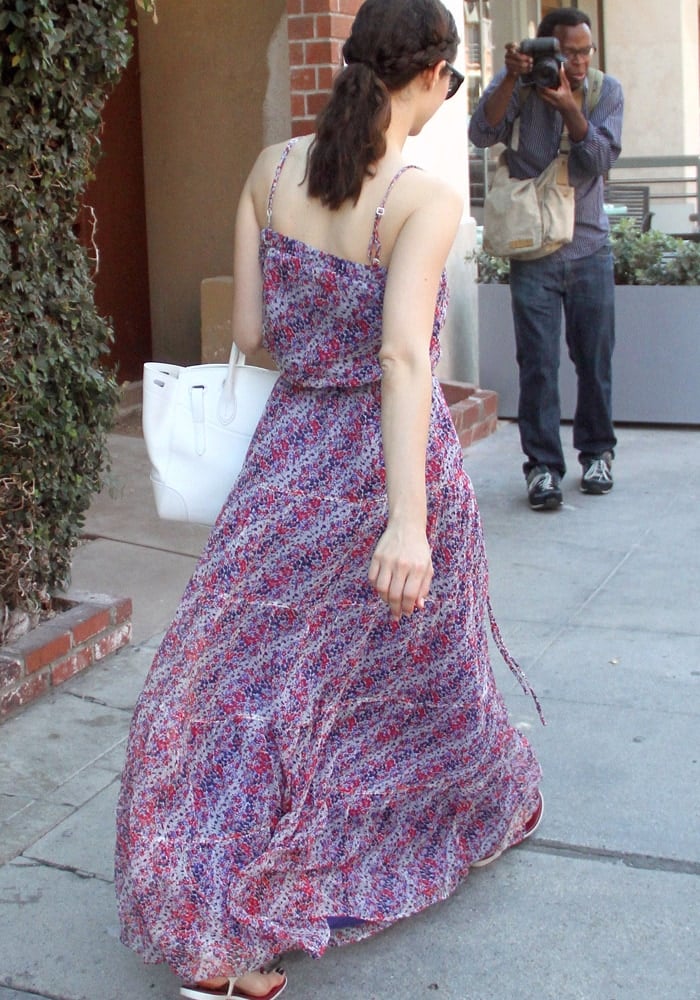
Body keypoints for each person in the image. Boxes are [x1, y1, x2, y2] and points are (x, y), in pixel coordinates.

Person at [115, 2, 542, 997]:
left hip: (288, 455)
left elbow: (256, 328)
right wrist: (405, 521)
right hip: (389, 467)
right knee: (420, 671)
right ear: (432, 74)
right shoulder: (421, 196)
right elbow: (402, 357)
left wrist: (319, 323)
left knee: (239, 677)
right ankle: (459, 818)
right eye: (452, 81)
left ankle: (219, 928)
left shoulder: (268, 170)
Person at [469, 8, 624, 511]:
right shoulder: (518, 81)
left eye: (585, 51)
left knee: (593, 361)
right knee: (537, 365)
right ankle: (542, 468)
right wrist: (512, 77)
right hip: (532, 249)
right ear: (546, 50)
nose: (577, 62)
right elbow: (481, 134)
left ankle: (597, 452)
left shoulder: (604, 91)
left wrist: (570, 109)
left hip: (589, 248)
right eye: (568, 52)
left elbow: (596, 161)